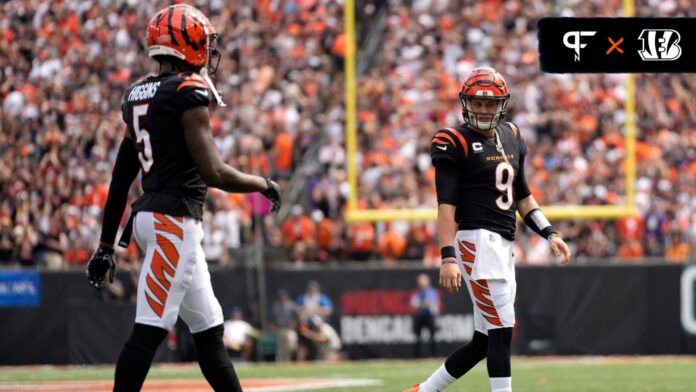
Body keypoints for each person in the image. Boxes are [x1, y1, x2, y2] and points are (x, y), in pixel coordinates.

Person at [84, 5, 281, 392]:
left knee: (209, 332)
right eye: (205, 43)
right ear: (186, 44)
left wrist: (106, 244)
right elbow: (215, 172)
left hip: (155, 219)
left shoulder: (139, 95)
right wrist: (263, 183)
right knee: (148, 331)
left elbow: (121, 177)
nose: (210, 52)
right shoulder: (187, 91)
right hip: (172, 223)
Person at [405, 67, 571, 392]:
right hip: (476, 242)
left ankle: (424, 391)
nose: (482, 110)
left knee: (485, 339)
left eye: (489, 104)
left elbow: (522, 197)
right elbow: (445, 206)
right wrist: (447, 256)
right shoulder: (454, 141)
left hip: (504, 245)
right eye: (477, 104)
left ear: (502, 105)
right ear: (465, 104)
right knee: (502, 328)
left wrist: (550, 233)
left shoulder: (512, 135)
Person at [411, 273, 440, 358]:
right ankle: (417, 356)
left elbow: (434, 304)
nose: (422, 283)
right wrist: (425, 304)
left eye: (424, 281)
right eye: (421, 281)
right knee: (417, 337)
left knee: (433, 337)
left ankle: (434, 355)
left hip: (429, 316)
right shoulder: (417, 293)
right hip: (419, 316)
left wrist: (423, 304)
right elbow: (414, 305)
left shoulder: (432, 292)